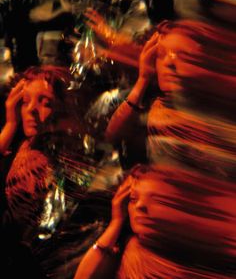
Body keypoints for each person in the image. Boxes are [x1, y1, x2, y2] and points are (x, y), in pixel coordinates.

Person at [104, 18, 236, 177]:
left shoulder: (213, 106)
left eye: (181, 55)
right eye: (160, 55)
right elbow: (113, 135)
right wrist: (143, 79)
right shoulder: (161, 105)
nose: (169, 63)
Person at [0, 65, 95, 278]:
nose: (31, 109)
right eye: (24, 101)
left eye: (46, 102)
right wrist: (10, 123)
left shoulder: (63, 158)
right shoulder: (28, 144)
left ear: (65, 108)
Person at [74, 163, 236, 278]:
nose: (140, 207)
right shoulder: (137, 250)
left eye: (157, 200)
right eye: (132, 199)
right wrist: (116, 222)